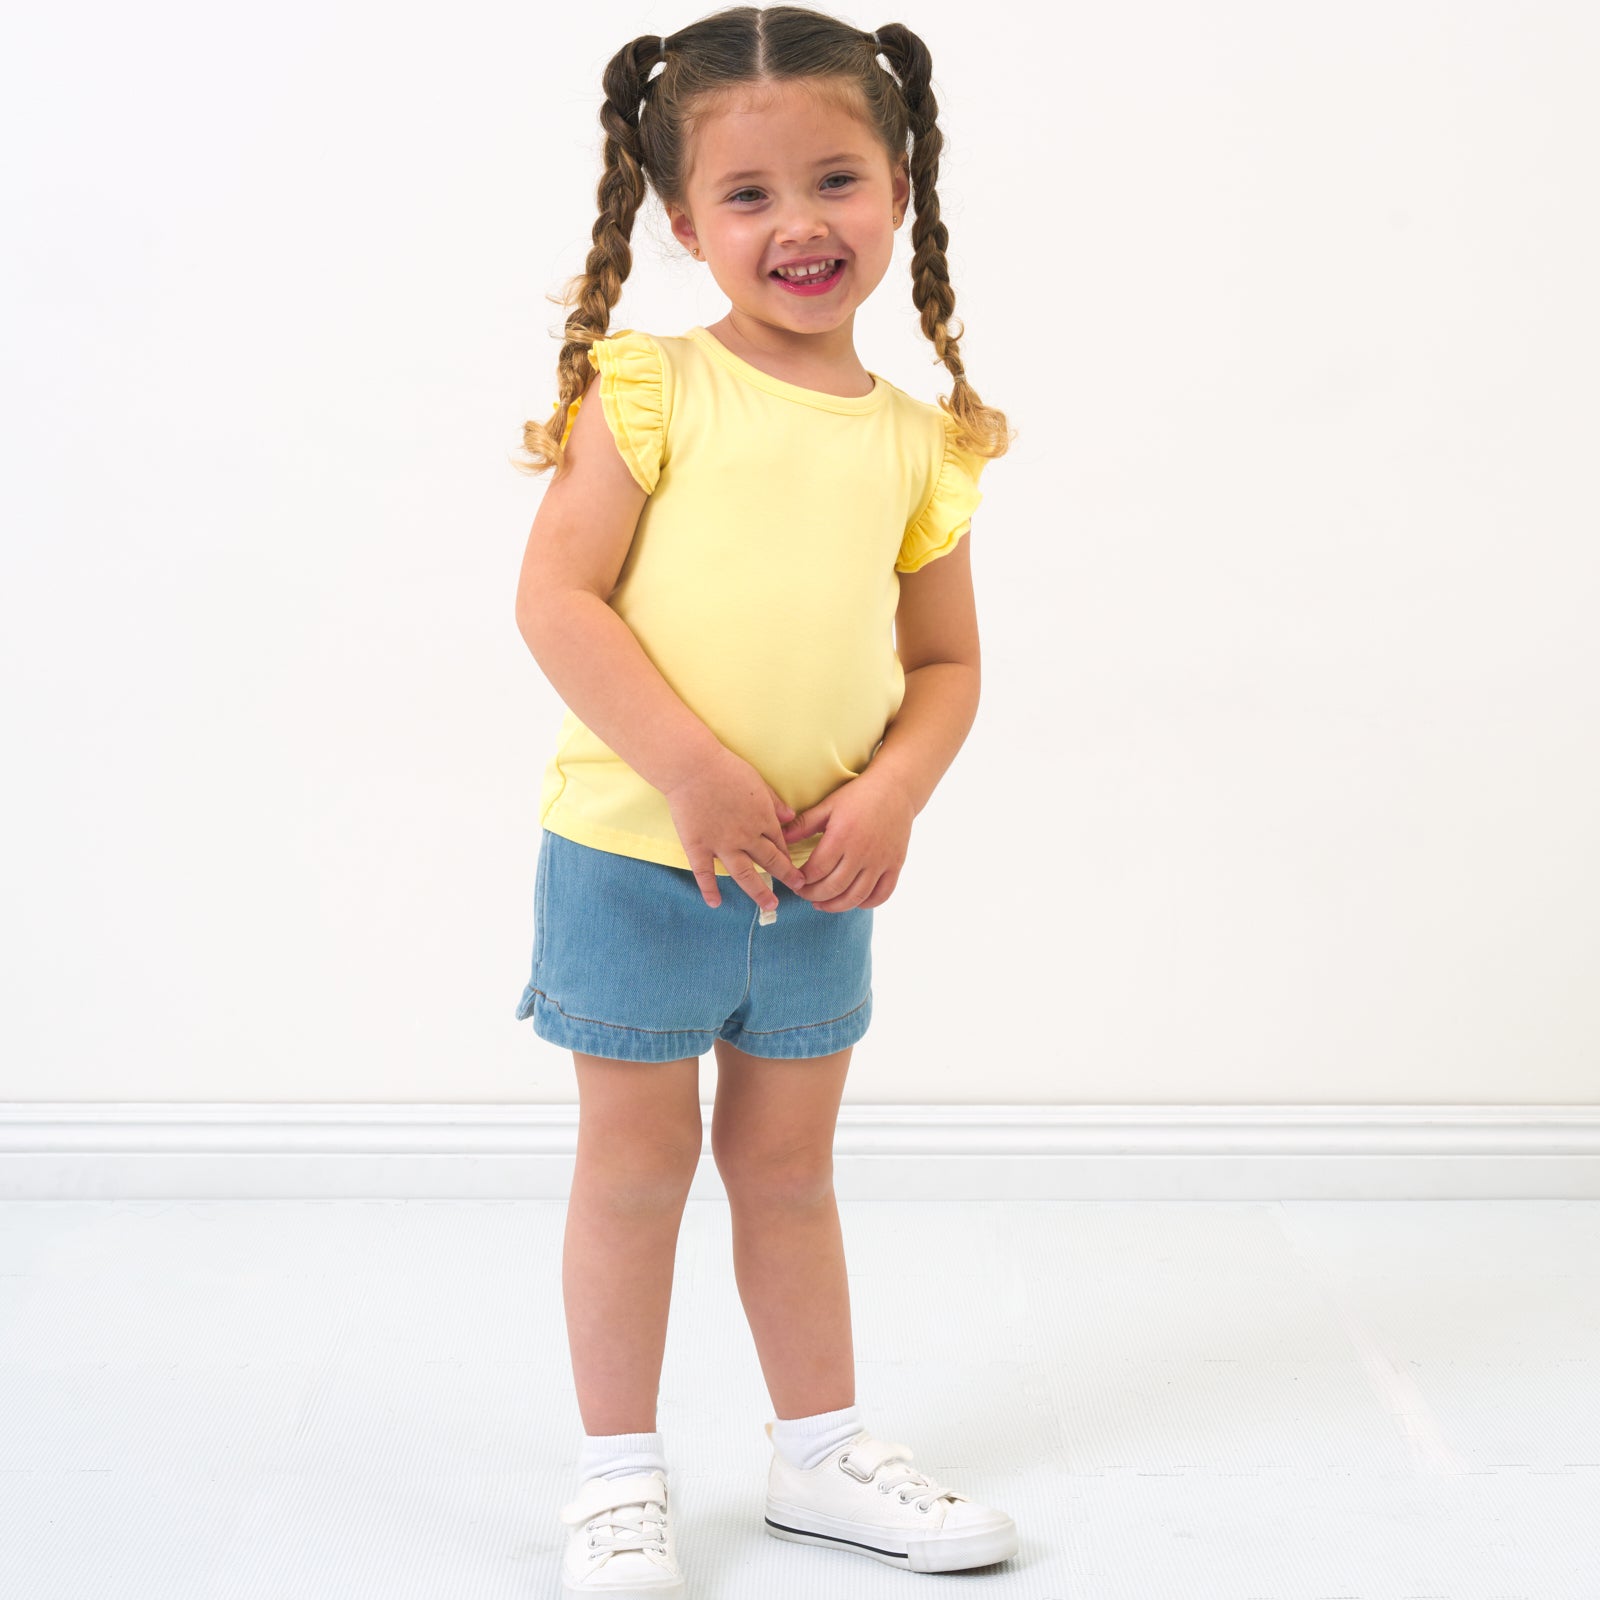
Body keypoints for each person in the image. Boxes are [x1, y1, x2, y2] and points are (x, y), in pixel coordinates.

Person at [510, 7, 1017, 1592]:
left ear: (900, 185)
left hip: (819, 879)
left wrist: (896, 798)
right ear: (682, 224)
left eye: (837, 178)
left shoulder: (923, 445)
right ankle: (615, 1476)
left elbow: (944, 666)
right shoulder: (652, 389)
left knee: (791, 1171)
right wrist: (691, 767)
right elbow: (558, 601)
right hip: (638, 865)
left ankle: (819, 1453)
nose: (799, 223)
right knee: (637, 1167)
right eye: (748, 196)